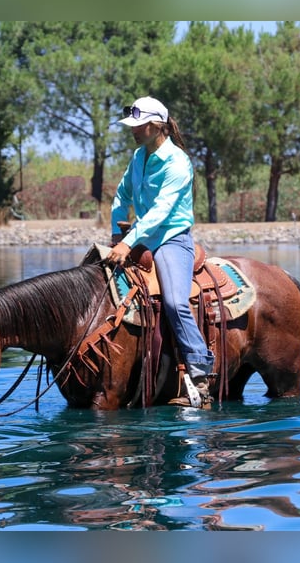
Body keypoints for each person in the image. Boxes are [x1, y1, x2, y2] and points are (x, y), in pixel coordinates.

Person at [106, 96, 214, 408]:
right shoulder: (138, 157)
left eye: (138, 126)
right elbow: (121, 195)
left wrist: (129, 242)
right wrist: (117, 233)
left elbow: (160, 213)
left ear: (155, 126)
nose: (133, 131)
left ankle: (200, 375)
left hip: (171, 240)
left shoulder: (177, 162)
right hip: (139, 240)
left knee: (174, 301)